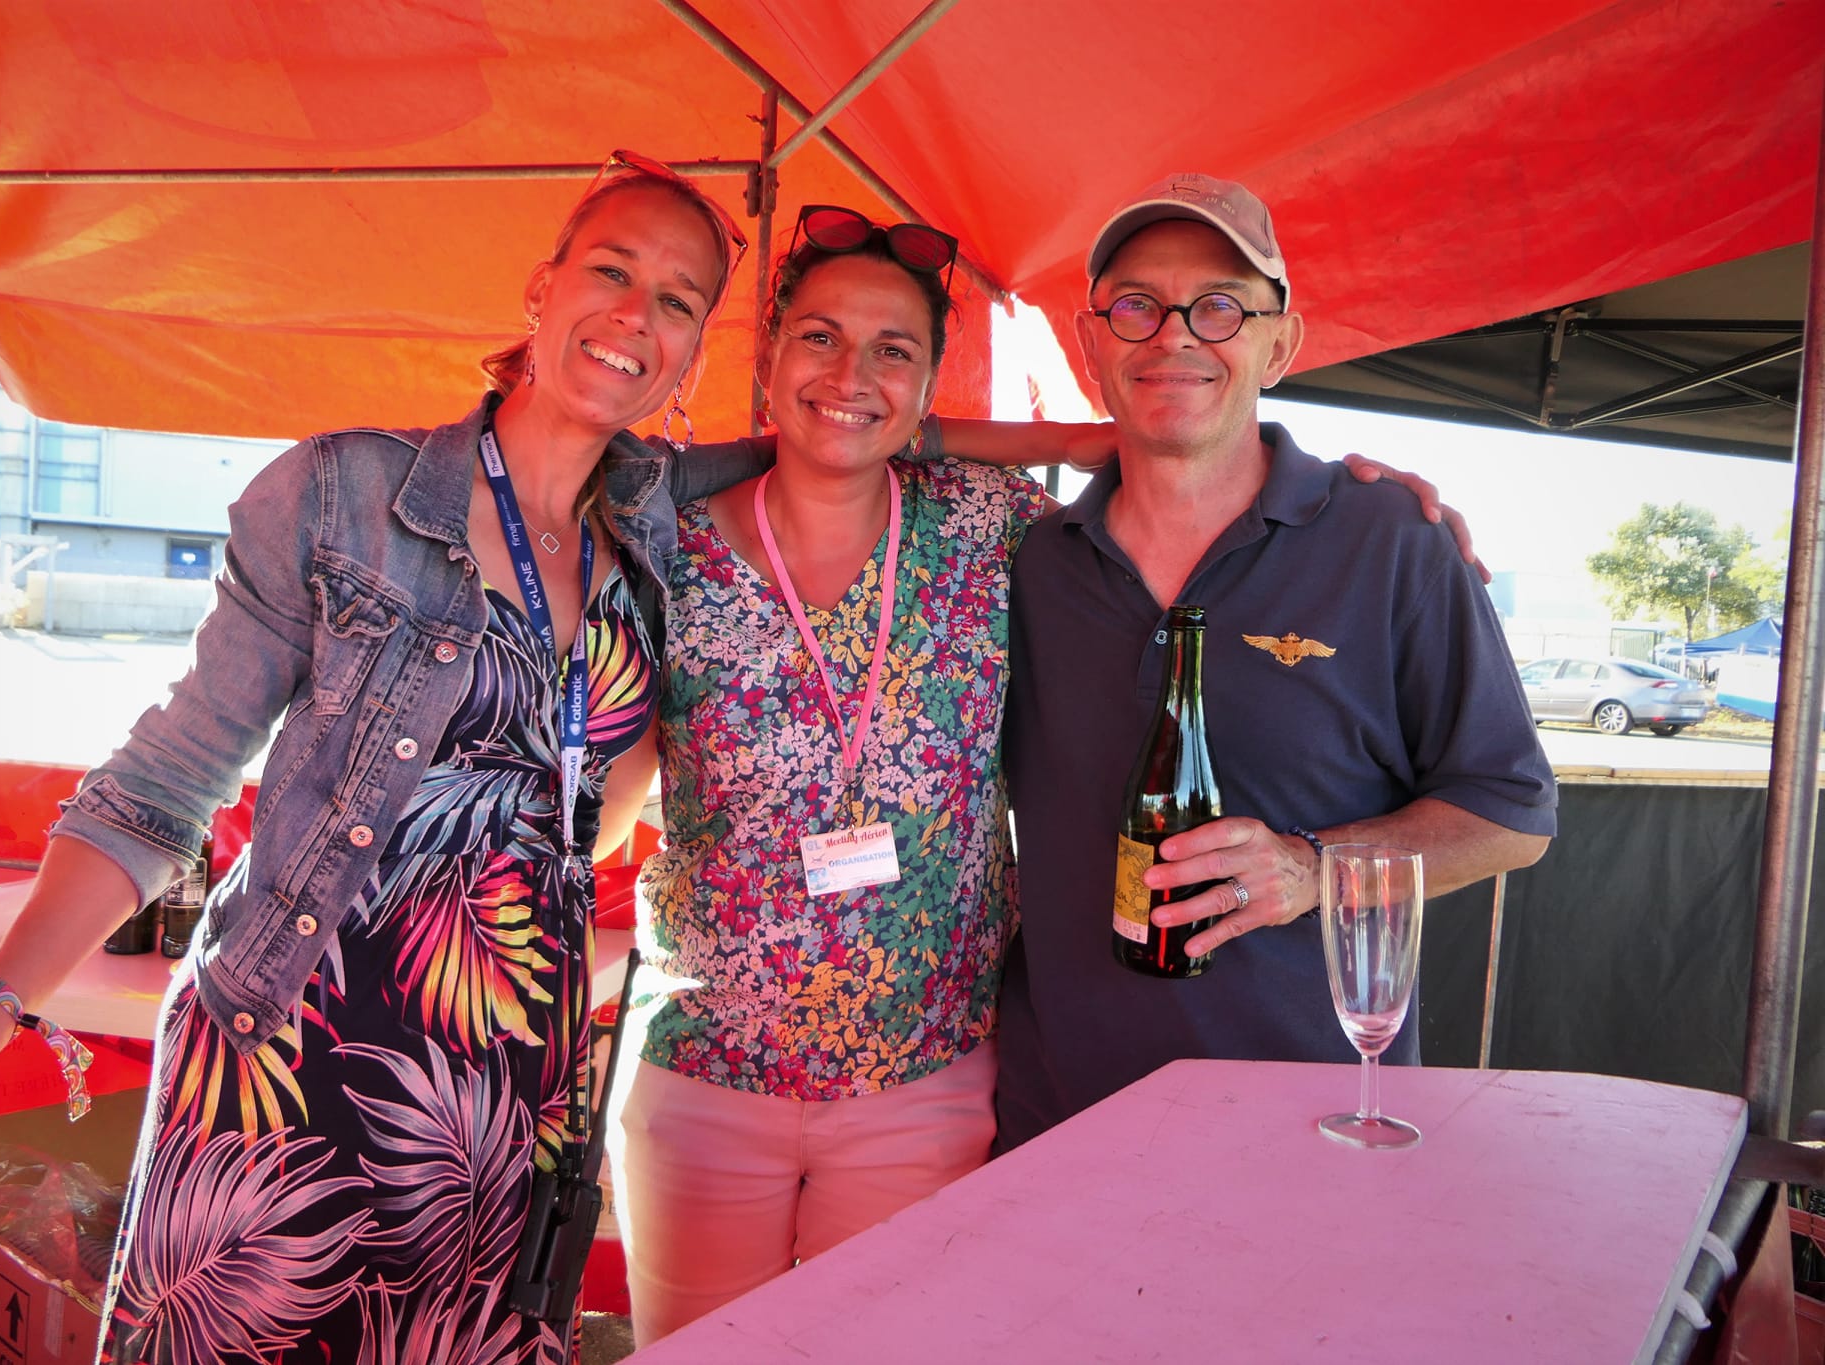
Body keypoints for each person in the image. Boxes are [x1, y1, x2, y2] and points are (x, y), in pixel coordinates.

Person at [0, 150, 771, 1365]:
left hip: (499, 1101)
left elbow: (847, 432)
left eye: (677, 299)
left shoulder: (653, 515)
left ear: (693, 351)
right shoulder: (345, 494)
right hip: (289, 1063)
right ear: (540, 288)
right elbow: (166, 779)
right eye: (611, 270)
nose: (634, 314)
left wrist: (1108, 431)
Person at [606, 205, 1471, 1343]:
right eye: (816, 338)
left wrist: (1317, 478)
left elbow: (1157, 463)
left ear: (928, 390)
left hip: (925, 1076)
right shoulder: (659, 547)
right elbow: (597, 792)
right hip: (705, 1068)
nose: (850, 373)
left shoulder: (991, 529)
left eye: (894, 351)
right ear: (765, 356)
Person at [995, 173, 1558, 1152]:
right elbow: (837, 439)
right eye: (1133, 306)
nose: (1173, 334)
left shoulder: (1389, 540)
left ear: (1278, 343)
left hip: (1308, 1123)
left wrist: (1309, 871)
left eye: (1218, 306)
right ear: (1090, 346)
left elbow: (1506, 817)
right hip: (1053, 1120)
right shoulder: (1027, 561)